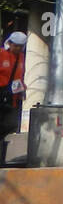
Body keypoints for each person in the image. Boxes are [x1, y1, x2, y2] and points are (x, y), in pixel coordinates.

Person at [0, 32, 26, 167]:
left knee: (9, 125)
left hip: (11, 98)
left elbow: (19, 77)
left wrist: (22, 90)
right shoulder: (2, 54)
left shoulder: (21, 57)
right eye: (16, 46)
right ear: (9, 44)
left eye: (20, 46)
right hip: (1, 93)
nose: (18, 49)